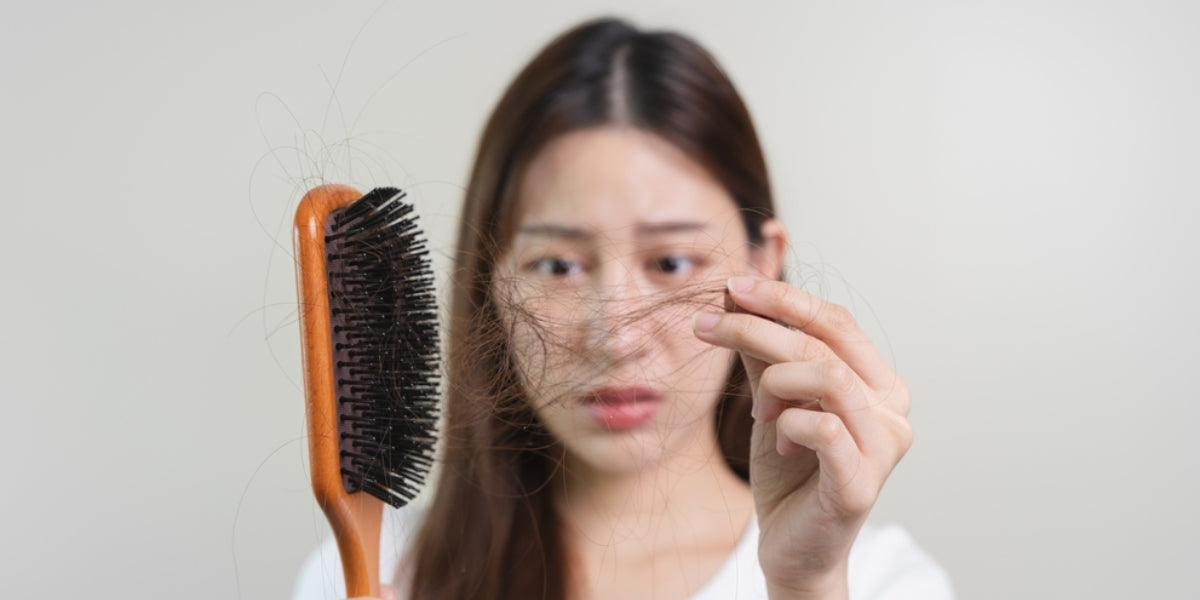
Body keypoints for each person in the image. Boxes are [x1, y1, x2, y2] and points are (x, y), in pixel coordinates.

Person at [294, 17, 953, 600]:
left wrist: (805, 586)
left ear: (763, 263)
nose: (616, 336)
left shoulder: (874, 581)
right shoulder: (368, 574)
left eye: (671, 262)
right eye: (558, 266)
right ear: (488, 280)